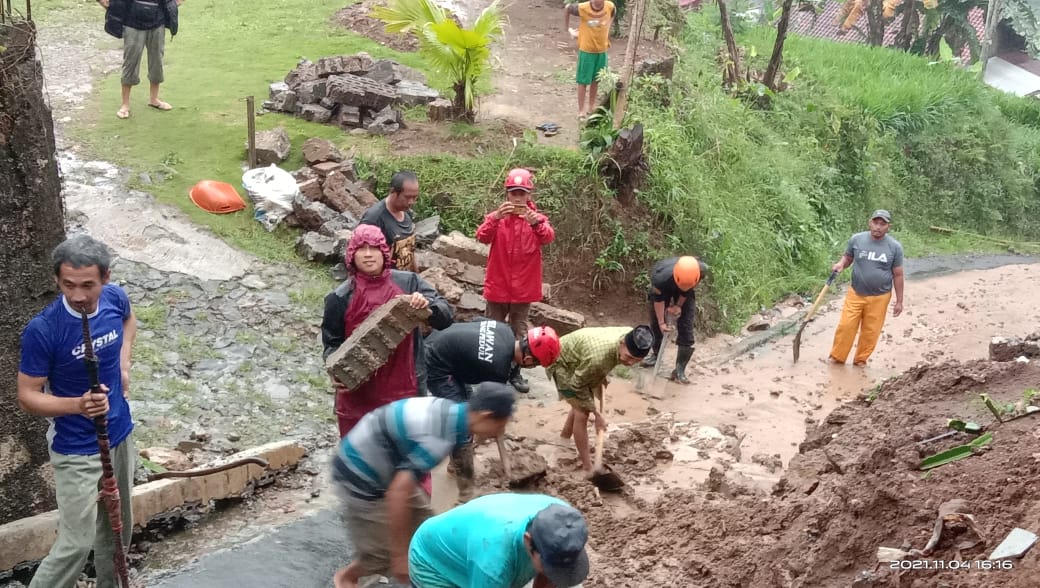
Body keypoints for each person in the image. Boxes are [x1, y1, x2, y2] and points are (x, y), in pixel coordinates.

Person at [17, 235, 138, 588]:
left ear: (106, 278)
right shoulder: (44, 330)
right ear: (57, 280)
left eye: (88, 285)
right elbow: (27, 396)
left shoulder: (115, 299)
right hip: (75, 450)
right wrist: (78, 405)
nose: (78, 295)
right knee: (76, 543)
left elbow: (129, 322)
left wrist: (123, 363)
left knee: (118, 531)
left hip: (120, 434)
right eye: (68, 285)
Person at [330, 384, 517, 588]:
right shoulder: (440, 437)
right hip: (360, 475)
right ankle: (347, 578)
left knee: (427, 531)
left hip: (389, 466)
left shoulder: (453, 412)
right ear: (486, 416)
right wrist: (400, 555)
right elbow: (398, 492)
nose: (499, 432)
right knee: (383, 555)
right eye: (500, 426)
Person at [321, 225, 453, 437]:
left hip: (405, 391)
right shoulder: (339, 297)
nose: (367, 254)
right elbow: (331, 343)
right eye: (360, 249)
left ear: (384, 251)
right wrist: (334, 371)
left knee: (408, 460)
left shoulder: (409, 283)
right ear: (351, 255)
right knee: (362, 461)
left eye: (373, 248)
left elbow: (446, 317)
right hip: (358, 395)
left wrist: (426, 304)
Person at [425, 320, 561, 502]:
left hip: (449, 351)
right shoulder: (498, 367)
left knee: (468, 409)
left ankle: (454, 465)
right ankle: (466, 494)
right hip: (438, 366)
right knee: (464, 425)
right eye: (535, 364)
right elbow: (489, 408)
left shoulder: (505, 331)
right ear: (528, 360)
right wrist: (497, 424)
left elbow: (475, 323)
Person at [476, 168, 555, 393]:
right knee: (492, 329)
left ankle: (514, 372)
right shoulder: (497, 218)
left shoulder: (537, 219)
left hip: (523, 288)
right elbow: (481, 236)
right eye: (513, 193)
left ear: (529, 195)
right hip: (498, 284)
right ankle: (490, 372)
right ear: (507, 194)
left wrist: (535, 223)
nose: (518, 197)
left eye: (522, 193)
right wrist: (494, 218)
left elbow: (548, 237)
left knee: (519, 332)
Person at [409, 493, 590, 588]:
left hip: (476, 542)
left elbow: (549, 575)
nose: (557, 573)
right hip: (432, 563)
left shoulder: (563, 518)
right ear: (528, 542)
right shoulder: (493, 565)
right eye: (552, 567)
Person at [548, 325, 653, 474]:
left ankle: (564, 439)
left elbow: (605, 361)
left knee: (579, 405)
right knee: (582, 413)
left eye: (637, 360)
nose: (630, 363)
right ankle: (588, 467)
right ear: (622, 342)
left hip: (583, 357)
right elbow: (576, 386)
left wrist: (600, 374)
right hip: (561, 359)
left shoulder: (632, 334)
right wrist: (597, 415)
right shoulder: (598, 359)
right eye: (629, 357)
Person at [828, 209, 904, 366]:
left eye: (882, 224)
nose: (878, 227)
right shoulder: (857, 240)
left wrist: (899, 301)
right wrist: (841, 264)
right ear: (870, 222)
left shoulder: (894, 247)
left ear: (888, 227)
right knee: (846, 325)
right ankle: (837, 358)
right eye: (876, 223)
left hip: (880, 297)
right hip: (856, 292)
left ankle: (860, 360)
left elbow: (898, 275)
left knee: (871, 331)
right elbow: (848, 257)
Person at [100, 0, 183, 120]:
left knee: (157, 62)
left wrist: (175, 4)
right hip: (132, 24)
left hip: (157, 23)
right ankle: (125, 105)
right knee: (130, 63)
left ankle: (154, 100)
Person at [640, 255, 708, 384]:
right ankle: (655, 355)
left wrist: (678, 306)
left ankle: (679, 370)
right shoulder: (660, 278)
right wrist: (662, 322)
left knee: (687, 328)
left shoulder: (699, 271)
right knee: (655, 322)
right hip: (664, 287)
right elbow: (658, 300)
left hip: (687, 288)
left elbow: (687, 290)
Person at [359, 170, 420, 272]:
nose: (411, 202)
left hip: (405, 280)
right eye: (407, 197)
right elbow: (361, 256)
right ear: (393, 192)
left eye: (415, 197)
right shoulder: (374, 218)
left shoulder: (407, 213)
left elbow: (409, 251)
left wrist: (415, 276)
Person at [564, 0, 615, 120]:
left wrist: (607, 27)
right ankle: (581, 110)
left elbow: (613, 13)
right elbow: (567, 8)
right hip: (586, 51)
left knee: (595, 80)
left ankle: (591, 107)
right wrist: (569, 30)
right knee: (583, 81)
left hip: (601, 50)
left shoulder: (609, 6)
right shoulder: (583, 8)